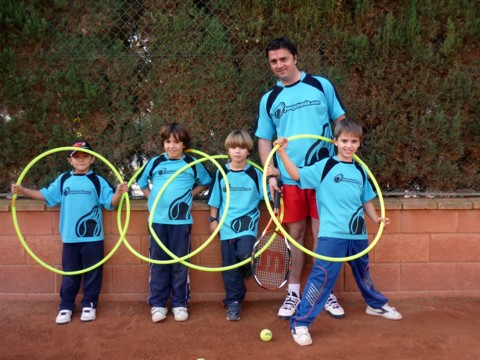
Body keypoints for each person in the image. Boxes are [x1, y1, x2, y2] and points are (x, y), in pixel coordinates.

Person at [274, 118, 403, 346]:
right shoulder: (325, 166)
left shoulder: (360, 170)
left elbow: (366, 200)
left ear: (359, 144)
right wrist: (282, 153)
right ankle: (300, 322)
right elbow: (296, 175)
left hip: (358, 233)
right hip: (332, 234)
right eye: (344, 140)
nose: (348, 145)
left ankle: (375, 305)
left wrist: (376, 219)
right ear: (335, 141)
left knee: (363, 272)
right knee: (322, 277)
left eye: (353, 141)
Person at [255, 35, 346, 320]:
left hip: (323, 178)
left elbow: (341, 122)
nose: (279, 65)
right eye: (273, 61)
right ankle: (293, 292)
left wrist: (341, 159)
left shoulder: (321, 85)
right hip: (290, 180)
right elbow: (263, 139)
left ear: (295, 58)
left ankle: (323, 290)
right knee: (295, 235)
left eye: (283, 59)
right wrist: (271, 172)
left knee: (322, 236)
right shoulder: (269, 99)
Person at [11, 140, 128, 325]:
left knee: (93, 272)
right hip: (70, 237)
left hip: (93, 237)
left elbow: (110, 202)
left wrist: (120, 193)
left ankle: (89, 303)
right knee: (70, 272)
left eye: (85, 156)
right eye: (77, 157)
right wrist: (23, 190)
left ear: (92, 160)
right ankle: (66, 305)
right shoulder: (64, 179)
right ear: (70, 161)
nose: (81, 159)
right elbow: (46, 195)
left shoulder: (98, 181)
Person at [136, 122, 212, 323]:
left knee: (180, 261)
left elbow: (206, 181)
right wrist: (151, 200)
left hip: (181, 222)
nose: (171, 146)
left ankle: (179, 303)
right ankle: (158, 303)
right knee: (159, 262)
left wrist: (190, 194)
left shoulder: (192, 163)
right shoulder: (155, 162)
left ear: (184, 145)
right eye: (167, 142)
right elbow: (142, 182)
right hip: (158, 220)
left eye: (176, 142)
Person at [207, 129, 266, 321]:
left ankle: (247, 262)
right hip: (226, 226)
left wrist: (276, 188)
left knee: (243, 252)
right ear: (228, 150)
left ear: (248, 151)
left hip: (247, 224)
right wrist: (213, 220)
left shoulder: (256, 173)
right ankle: (233, 301)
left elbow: (269, 196)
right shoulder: (221, 172)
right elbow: (215, 200)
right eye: (233, 147)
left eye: (242, 147)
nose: (237, 151)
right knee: (229, 266)